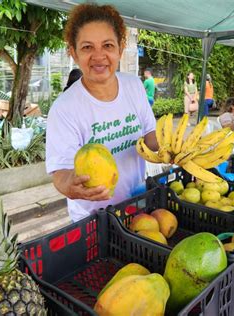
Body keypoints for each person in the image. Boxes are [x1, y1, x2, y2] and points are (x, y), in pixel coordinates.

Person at [46, 4, 158, 222]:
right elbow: (60, 173)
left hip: (138, 206)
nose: (99, 56)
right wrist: (72, 186)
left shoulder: (135, 85)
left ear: (120, 48)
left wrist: (178, 151)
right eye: (87, 47)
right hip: (94, 221)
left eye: (107, 45)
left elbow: (150, 138)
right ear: (74, 53)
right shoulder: (64, 109)